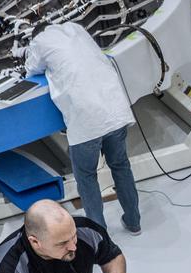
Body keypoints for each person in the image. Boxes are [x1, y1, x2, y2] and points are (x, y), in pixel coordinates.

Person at [24, 21, 142, 234]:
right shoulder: (76, 27)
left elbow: (31, 69)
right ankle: (134, 222)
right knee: (121, 166)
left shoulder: (39, 41)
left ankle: (99, 235)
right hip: (116, 110)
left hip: (86, 121)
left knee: (87, 177)